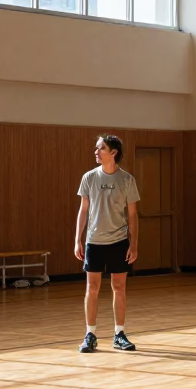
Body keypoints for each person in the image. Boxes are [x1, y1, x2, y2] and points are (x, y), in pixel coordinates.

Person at [74, 135, 140, 353]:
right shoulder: (89, 178)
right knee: (92, 288)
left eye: (101, 148)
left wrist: (134, 243)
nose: (96, 151)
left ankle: (119, 334)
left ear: (113, 152)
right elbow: (83, 210)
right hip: (94, 242)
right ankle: (90, 334)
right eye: (96, 148)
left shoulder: (127, 180)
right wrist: (78, 240)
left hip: (119, 242)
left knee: (119, 287)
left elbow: (132, 214)